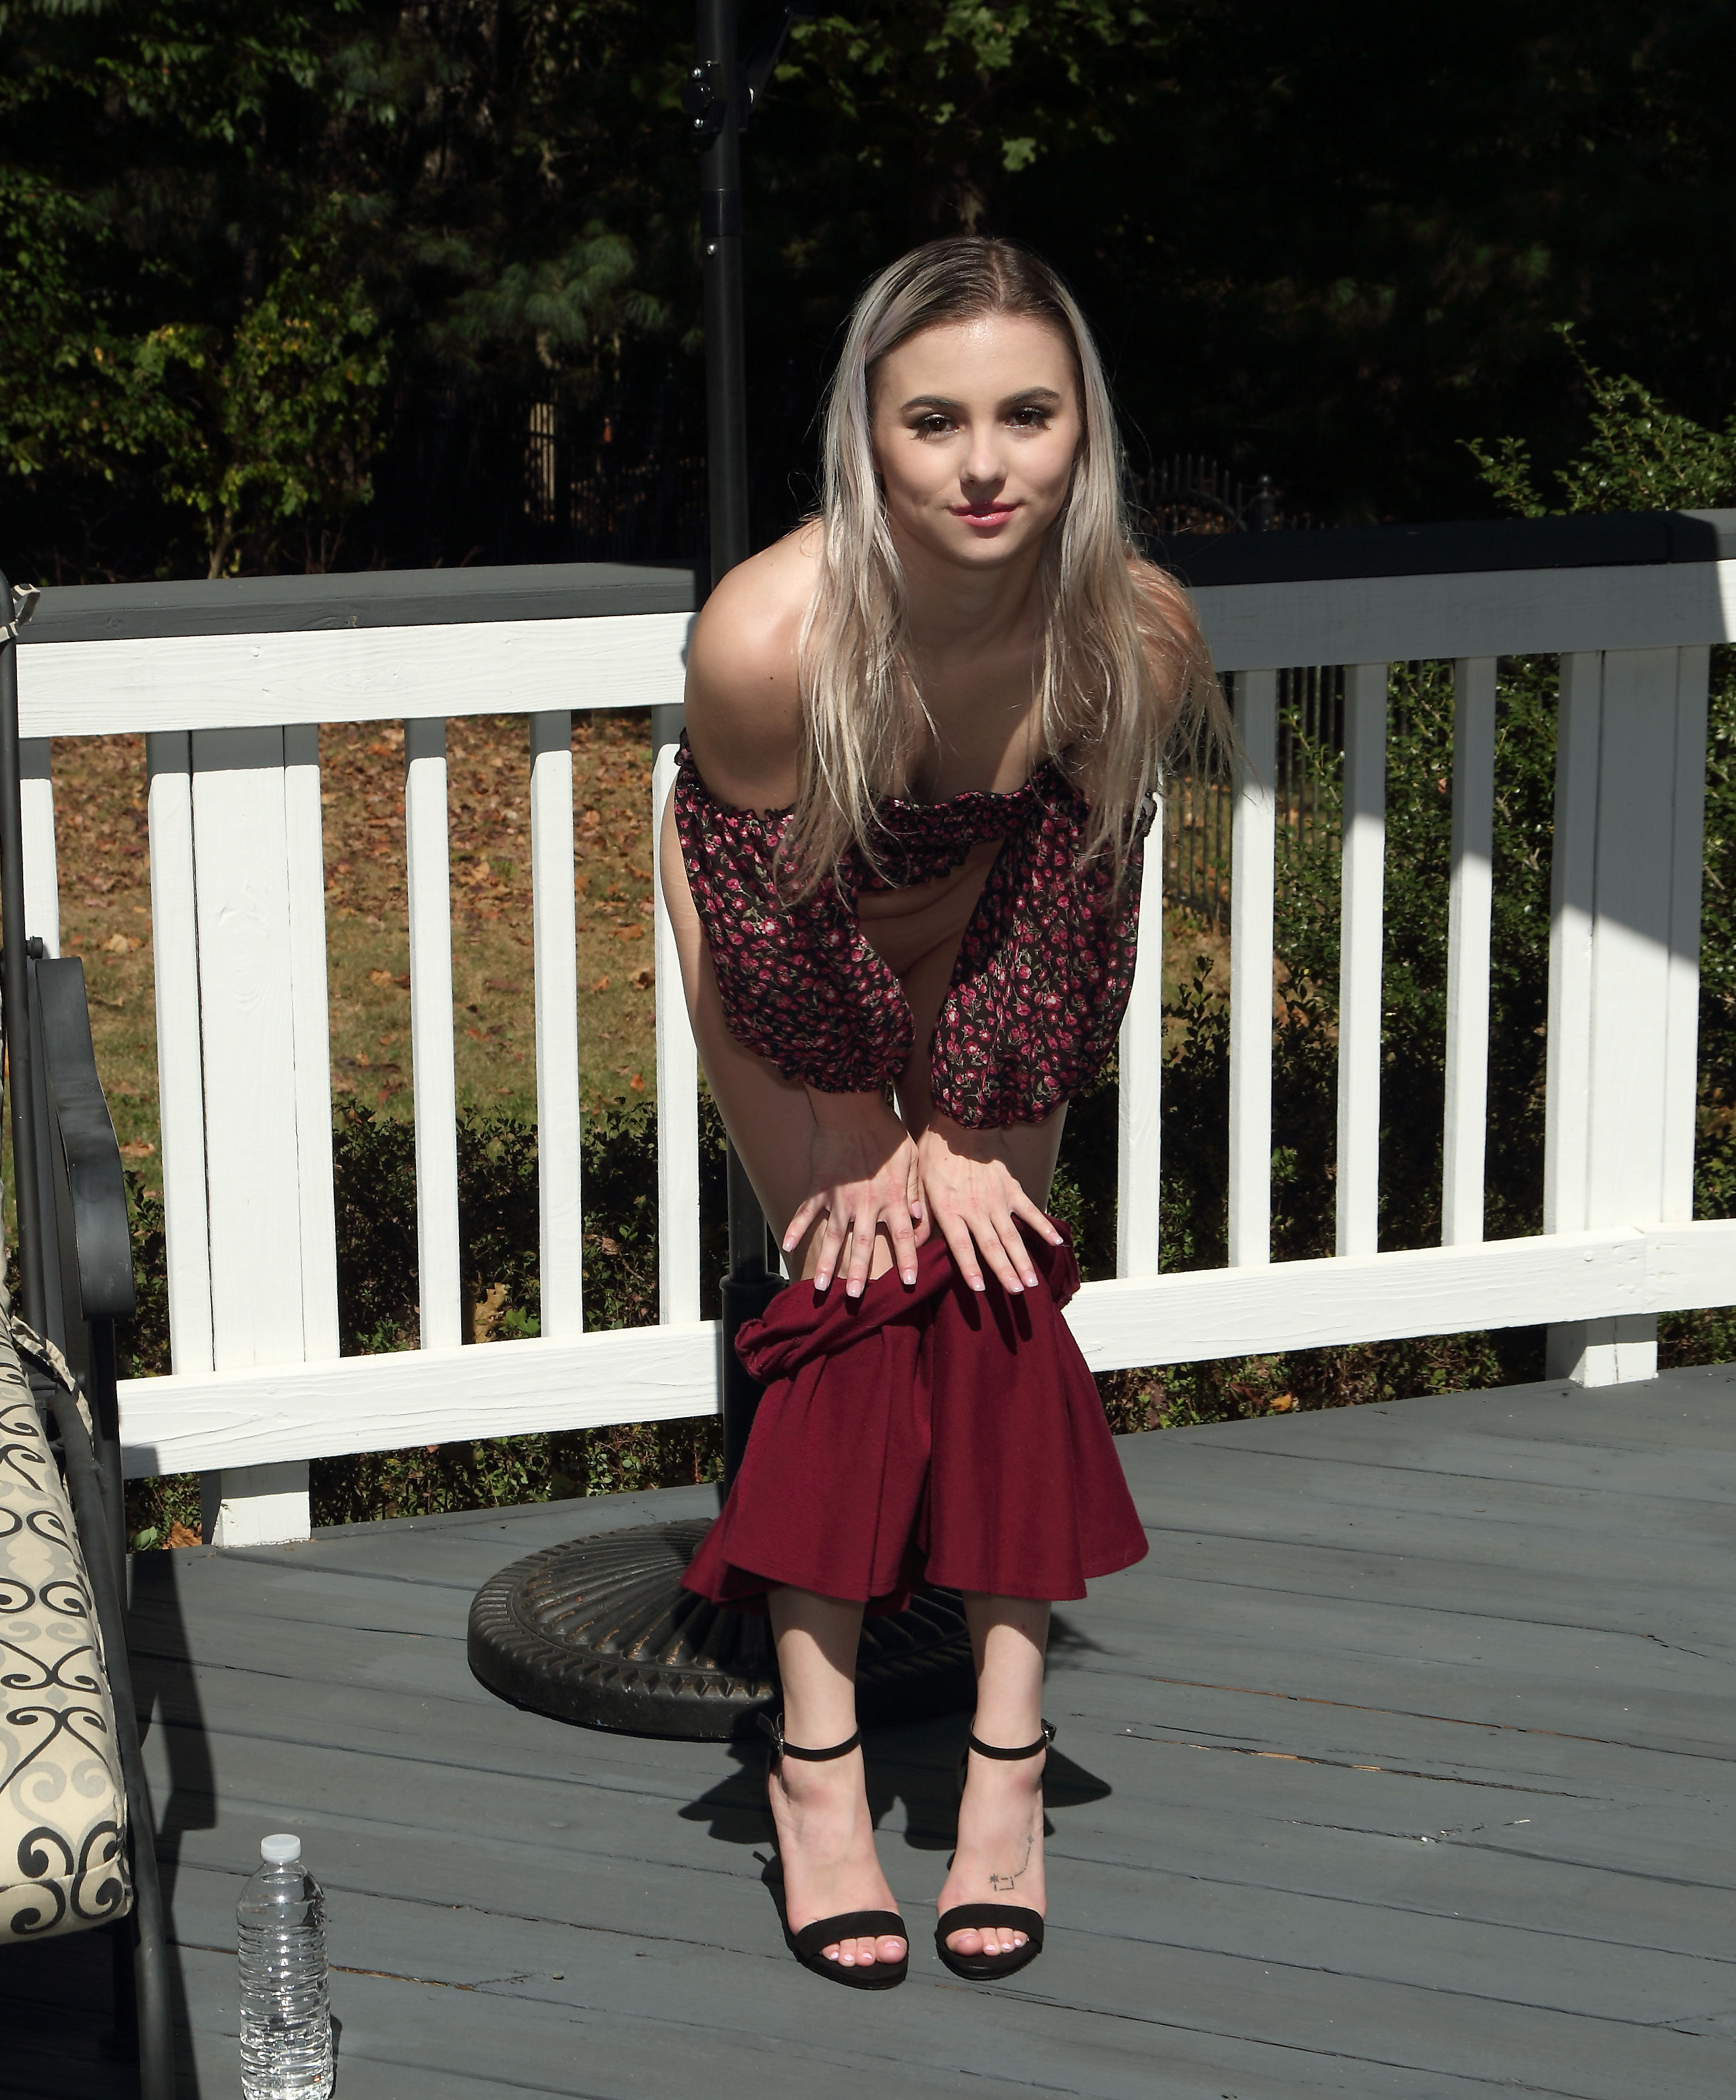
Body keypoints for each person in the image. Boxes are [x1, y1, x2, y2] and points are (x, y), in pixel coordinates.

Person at [657, 234, 1220, 1990]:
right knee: (853, 1291)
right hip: (786, 931)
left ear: (1082, 426)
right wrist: (860, 1132)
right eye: (934, 422)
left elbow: (1082, 890)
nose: (985, 466)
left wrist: (966, 1122)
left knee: (996, 1290)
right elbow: (766, 917)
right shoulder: (769, 637)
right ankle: (815, 1773)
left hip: (999, 931)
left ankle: (1008, 1763)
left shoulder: (1132, 633)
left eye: (1027, 415)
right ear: (868, 436)